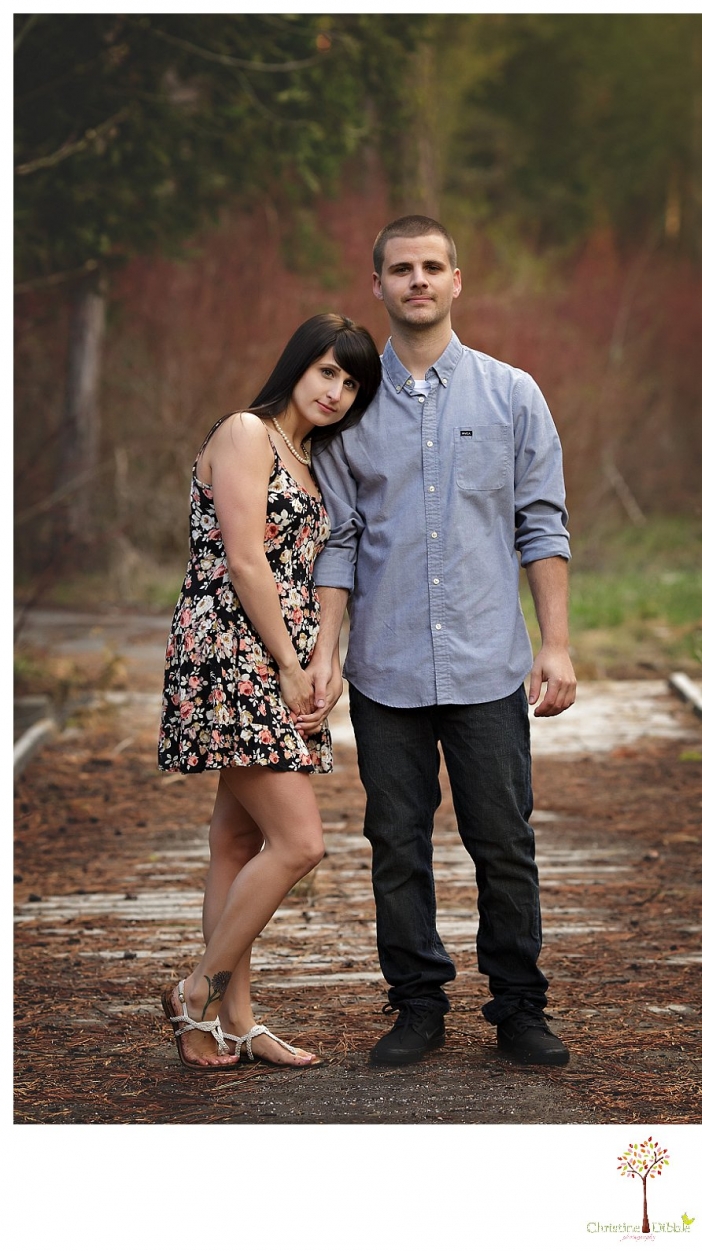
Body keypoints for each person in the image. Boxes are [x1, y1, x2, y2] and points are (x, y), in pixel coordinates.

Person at [298, 216, 577, 1067]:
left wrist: (555, 644)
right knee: (397, 841)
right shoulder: (351, 406)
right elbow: (338, 539)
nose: (417, 280)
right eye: (399, 269)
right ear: (376, 285)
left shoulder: (513, 394)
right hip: (386, 670)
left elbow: (542, 523)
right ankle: (417, 1003)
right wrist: (325, 650)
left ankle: (520, 1005)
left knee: (504, 838)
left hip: (490, 663)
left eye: (431, 266)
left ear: (458, 280)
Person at [157, 313, 381, 1070]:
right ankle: (198, 990)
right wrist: (288, 661)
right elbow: (247, 561)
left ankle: (230, 1022)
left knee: (238, 838)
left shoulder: (307, 456)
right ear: (296, 365)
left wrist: (325, 655)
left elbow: (314, 571)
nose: (338, 391)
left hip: (274, 650)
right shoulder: (247, 433)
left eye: (351, 383)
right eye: (327, 372)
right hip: (230, 649)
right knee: (300, 840)